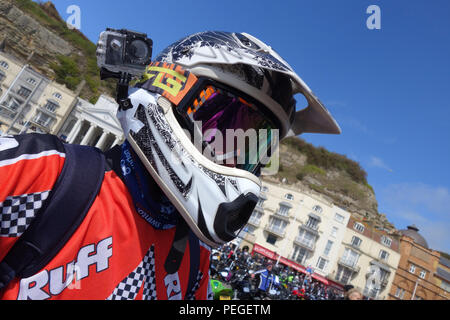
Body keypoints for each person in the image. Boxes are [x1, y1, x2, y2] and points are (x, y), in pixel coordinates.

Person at [0, 31, 339, 300]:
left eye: (254, 145)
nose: (236, 157)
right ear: (171, 94)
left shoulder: (195, 261)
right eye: (225, 128)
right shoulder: (42, 176)